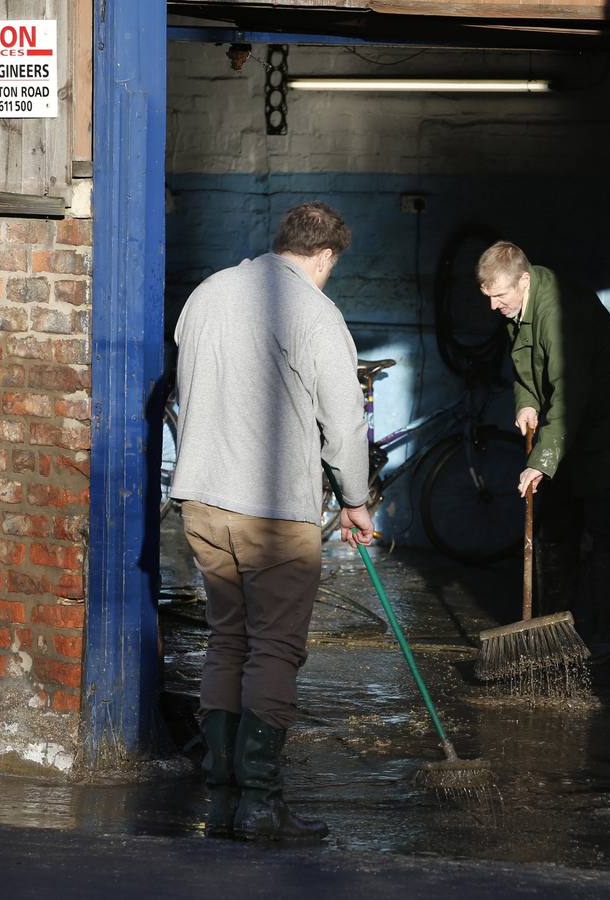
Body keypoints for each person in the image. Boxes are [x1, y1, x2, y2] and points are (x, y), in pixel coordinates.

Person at [170, 201, 374, 842]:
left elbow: (184, 389)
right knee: (275, 649)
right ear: (325, 257)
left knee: (228, 639)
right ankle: (261, 803)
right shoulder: (316, 313)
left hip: (203, 498)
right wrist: (356, 498)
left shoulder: (208, 293)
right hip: (273, 509)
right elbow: (343, 424)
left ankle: (224, 800)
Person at [477, 241, 610, 660]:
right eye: (487, 297)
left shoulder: (561, 311)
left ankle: (609, 637)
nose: (493, 307)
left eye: (499, 296)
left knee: (605, 539)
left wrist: (540, 460)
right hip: (569, 440)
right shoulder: (518, 306)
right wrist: (524, 399)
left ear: (523, 279)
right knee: (555, 534)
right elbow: (527, 366)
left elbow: (570, 395)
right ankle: (554, 632)